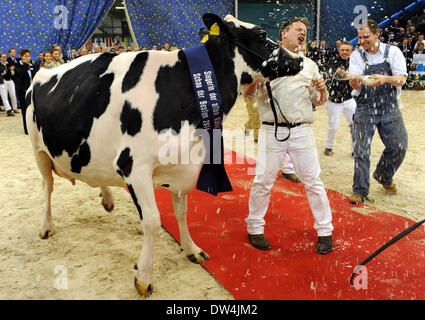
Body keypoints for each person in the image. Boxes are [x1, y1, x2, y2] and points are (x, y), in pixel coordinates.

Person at [243, 18, 333, 254]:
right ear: (284, 33)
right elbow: (248, 95)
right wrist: (257, 79)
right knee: (263, 180)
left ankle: (325, 231)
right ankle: (254, 227)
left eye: (305, 31)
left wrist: (322, 91)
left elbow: (317, 101)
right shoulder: (265, 59)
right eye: (298, 29)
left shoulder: (310, 64)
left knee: (313, 181)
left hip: (303, 130)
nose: (303, 33)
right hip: (271, 130)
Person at [348, 19, 408, 204]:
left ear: (377, 34)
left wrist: (385, 78)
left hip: (390, 107)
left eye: (366, 36)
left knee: (399, 147)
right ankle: (360, 191)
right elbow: (354, 83)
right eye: (359, 37)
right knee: (361, 150)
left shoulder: (393, 52)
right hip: (365, 107)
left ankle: (383, 175)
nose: (362, 41)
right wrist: (355, 81)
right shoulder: (356, 56)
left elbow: (401, 80)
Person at [323, 41, 356, 156]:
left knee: (355, 124)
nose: (345, 52)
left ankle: (355, 149)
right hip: (334, 100)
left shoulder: (355, 63)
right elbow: (338, 73)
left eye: (347, 50)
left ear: (351, 51)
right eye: (342, 50)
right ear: (339, 50)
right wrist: (348, 74)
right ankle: (328, 147)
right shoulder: (333, 61)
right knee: (334, 126)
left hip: (349, 98)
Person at [14, 49, 36, 134]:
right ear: (21, 57)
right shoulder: (18, 65)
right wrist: (27, 65)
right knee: (25, 110)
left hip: (32, 90)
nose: (28, 58)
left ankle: (33, 127)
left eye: (29, 56)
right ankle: (27, 129)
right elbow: (21, 73)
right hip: (23, 91)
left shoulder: (32, 65)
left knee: (33, 109)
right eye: (25, 56)